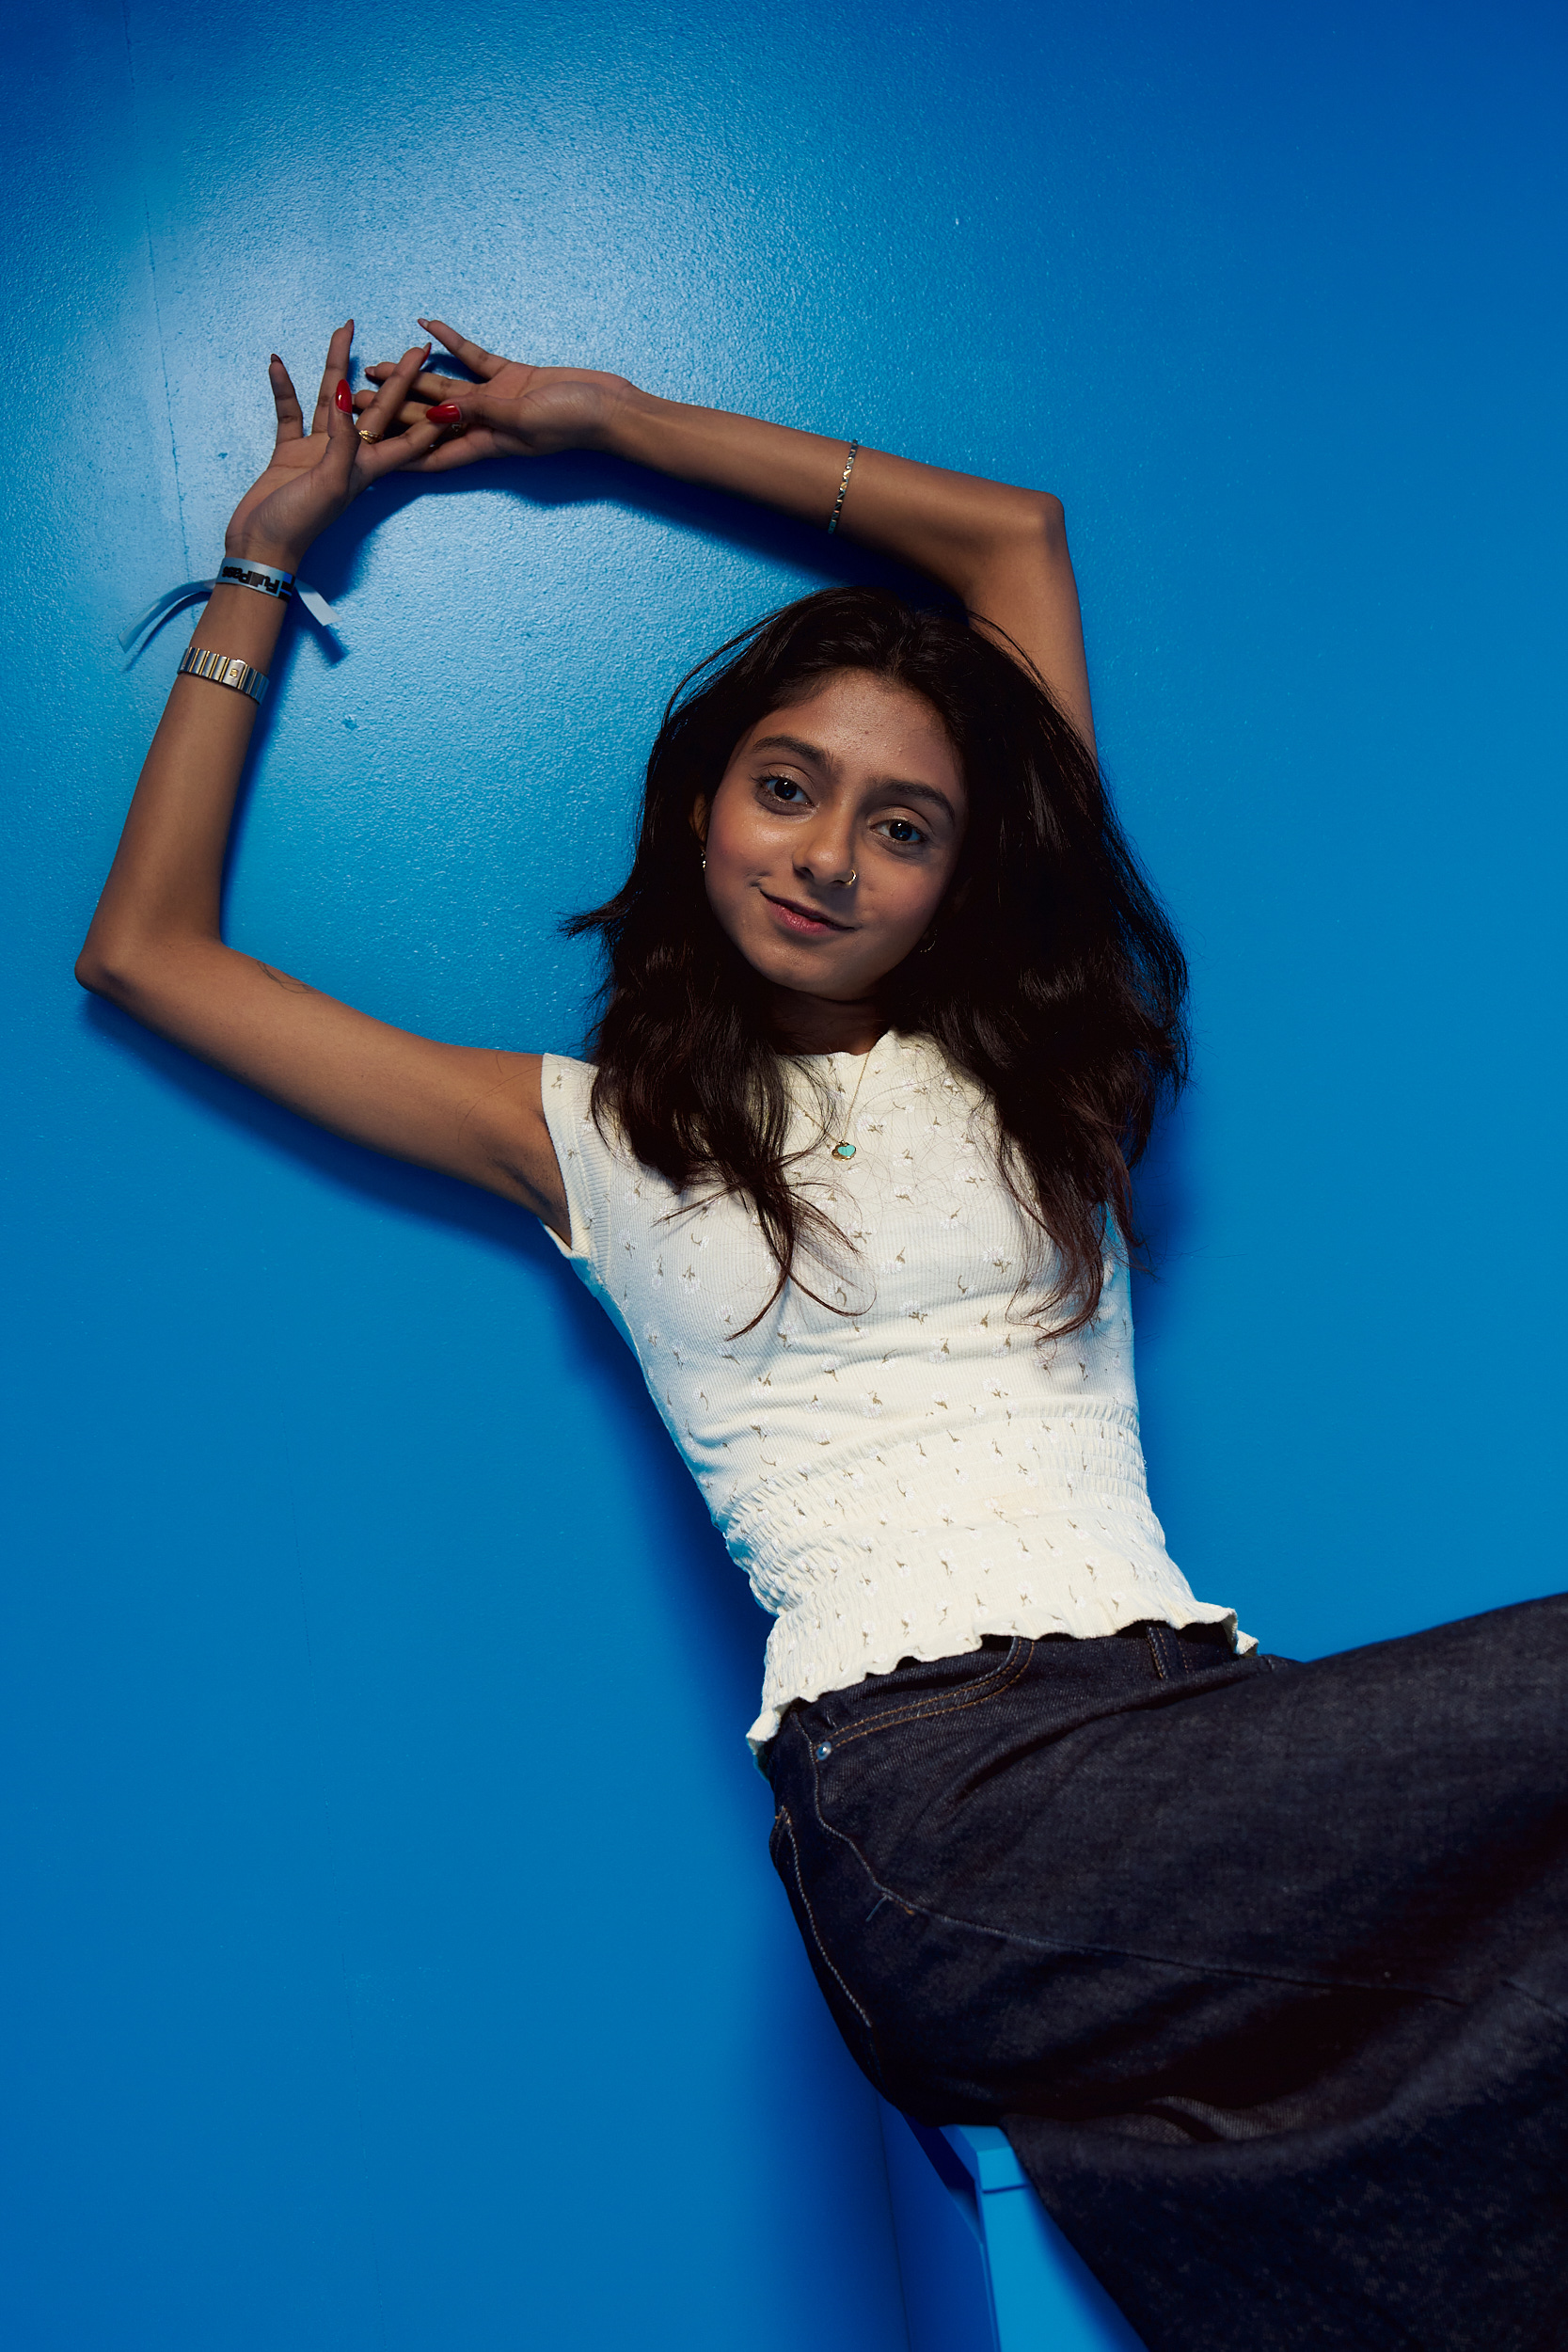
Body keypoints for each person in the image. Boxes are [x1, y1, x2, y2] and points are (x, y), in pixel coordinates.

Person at [78, 322, 1565, 2352]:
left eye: (902, 825)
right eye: (789, 789)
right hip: (940, 1806)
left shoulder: (1047, 1076)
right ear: (705, 804)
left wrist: (611, 418)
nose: (829, 855)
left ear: (961, 878)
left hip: (1199, 1749)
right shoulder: (591, 1134)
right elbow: (148, 951)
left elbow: (1012, 539)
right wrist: (268, 559)